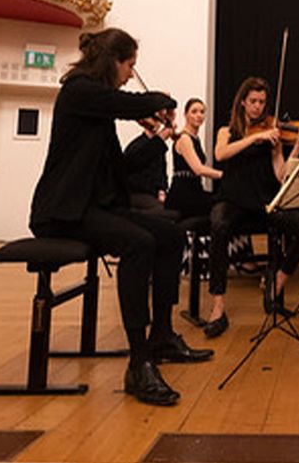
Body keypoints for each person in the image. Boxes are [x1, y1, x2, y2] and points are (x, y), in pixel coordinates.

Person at [27, 28, 213, 407]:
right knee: (139, 243)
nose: (130, 73)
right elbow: (124, 102)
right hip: (63, 212)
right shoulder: (79, 90)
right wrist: (161, 100)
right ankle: (138, 361)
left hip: (94, 207)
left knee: (171, 234)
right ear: (113, 61)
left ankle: (161, 336)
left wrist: (157, 136)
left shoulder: (98, 110)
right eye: (129, 65)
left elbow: (123, 168)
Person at [201, 77, 299, 338]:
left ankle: (277, 281)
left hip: (265, 202)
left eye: (262, 102)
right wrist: (254, 138)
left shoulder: (272, 134)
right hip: (233, 201)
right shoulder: (227, 130)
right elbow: (221, 154)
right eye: (253, 101)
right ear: (243, 102)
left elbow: (281, 175)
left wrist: (297, 145)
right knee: (218, 225)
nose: (258, 107)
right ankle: (218, 306)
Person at [167, 98, 223, 220]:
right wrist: (223, 174)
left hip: (195, 189)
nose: (199, 115)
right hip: (183, 194)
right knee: (219, 207)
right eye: (194, 111)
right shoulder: (185, 139)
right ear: (186, 115)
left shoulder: (195, 139)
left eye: (202, 112)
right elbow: (198, 169)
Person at [124, 118, 173, 213]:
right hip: (138, 194)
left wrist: (162, 190)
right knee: (169, 213)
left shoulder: (159, 146)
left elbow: (162, 173)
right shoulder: (136, 146)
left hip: (152, 195)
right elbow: (132, 172)